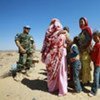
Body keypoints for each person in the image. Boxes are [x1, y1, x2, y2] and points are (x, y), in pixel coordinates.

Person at [41, 18, 68, 96]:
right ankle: (61, 89)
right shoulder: (61, 34)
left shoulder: (49, 35)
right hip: (59, 56)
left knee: (53, 72)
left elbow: (46, 46)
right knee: (61, 72)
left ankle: (53, 88)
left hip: (52, 56)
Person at [78, 17, 92, 84]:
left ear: (85, 22)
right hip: (82, 51)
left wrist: (83, 47)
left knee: (85, 67)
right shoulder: (82, 31)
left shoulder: (87, 29)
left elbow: (89, 39)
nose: (80, 23)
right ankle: (85, 80)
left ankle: (85, 81)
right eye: (79, 22)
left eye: (82, 21)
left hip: (85, 52)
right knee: (83, 67)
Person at [88, 31, 100, 97]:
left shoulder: (99, 44)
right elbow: (93, 53)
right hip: (96, 62)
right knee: (98, 75)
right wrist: (90, 51)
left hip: (97, 63)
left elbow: (98, 55)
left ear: (99, 36)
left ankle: (93, 91)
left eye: (95, 37)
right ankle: (98, 86)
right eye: (93, 38)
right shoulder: (96, 44)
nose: (94, 39)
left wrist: (97, 63)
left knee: (96, 76)